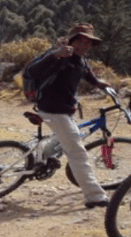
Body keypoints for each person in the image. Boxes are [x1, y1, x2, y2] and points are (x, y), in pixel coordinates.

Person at [34, 22, 112, 208]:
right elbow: (31, 70)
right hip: (54, 110)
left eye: (89, 42)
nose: (85, 46)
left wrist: (104, 85)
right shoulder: (60, 55)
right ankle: (94, 196)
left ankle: (41, 156)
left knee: (66, 136)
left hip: (65, 109)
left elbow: (90, 77)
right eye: (81, 41)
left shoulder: (80, 59)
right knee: (77, 153)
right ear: (71, 40)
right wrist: (55, 56)